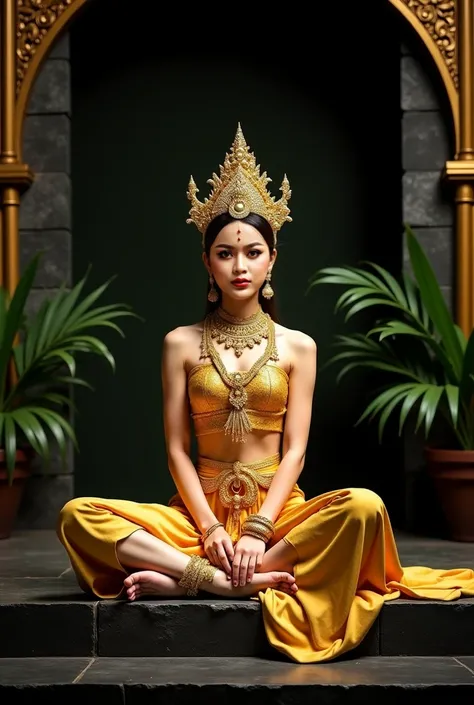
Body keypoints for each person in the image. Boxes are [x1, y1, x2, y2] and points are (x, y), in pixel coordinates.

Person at [57, 124, 474, 664]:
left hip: (277, 521)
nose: (240, 266)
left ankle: (208, 574)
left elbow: (296, 450)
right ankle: (220, 581)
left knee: (365, 508)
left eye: (252, 252)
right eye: (226, 253)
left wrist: (257, 529)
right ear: (207, 261)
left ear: (272, 259)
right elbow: (178, 450)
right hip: (196, 518)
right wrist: (208, 530)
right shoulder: (179, 344)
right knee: (76, 516)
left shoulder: (299, 347)